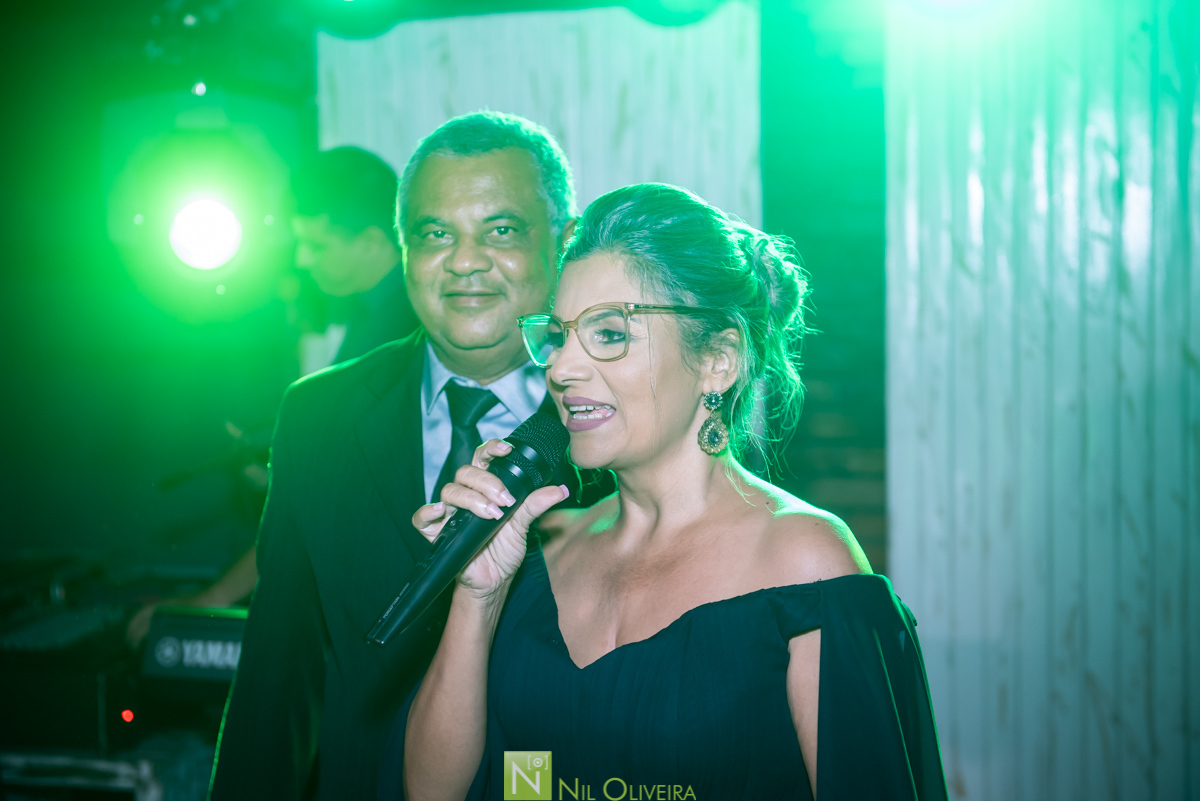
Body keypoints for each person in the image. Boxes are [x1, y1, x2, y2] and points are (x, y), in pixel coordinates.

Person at [385, 184, 946, 800]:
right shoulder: (545, 549)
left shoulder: (804, 561)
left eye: (608, 333)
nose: (561, 367)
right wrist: (477, 595)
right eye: (559, 334)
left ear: (718, 361)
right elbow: (431, 793)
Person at [208, 112, 610, 801]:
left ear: (564, 242)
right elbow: (280, 673)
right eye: (434, 234)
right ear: (402, 250)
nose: (464, 260)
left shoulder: (620, 415)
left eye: (502, 230)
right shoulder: (319, 416)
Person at [125, 147, 421, 649]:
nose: (303, 261)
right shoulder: (381, 319)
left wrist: (213, 599)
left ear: (373, 241)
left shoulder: (390, 338)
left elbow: (322, 504)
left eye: (317, 245)